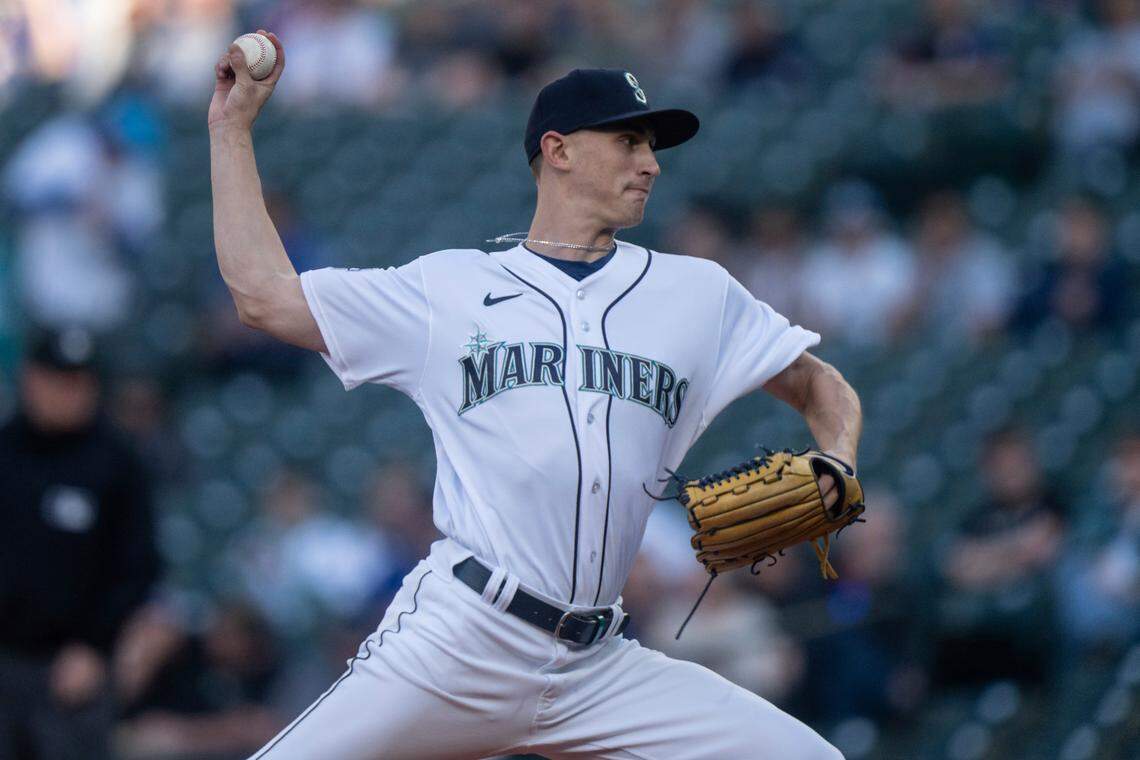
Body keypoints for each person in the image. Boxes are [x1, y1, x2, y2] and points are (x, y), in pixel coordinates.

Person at [210, 31, 861, 759]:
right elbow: (264, 297)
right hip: (461, 642)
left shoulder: (699, 294)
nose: (650, 164)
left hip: (599, 663)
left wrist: (838, 458)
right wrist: (231, 129)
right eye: (629, 142)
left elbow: (817, 383)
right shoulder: (448, 289)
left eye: (652, 148)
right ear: (558, 150)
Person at [0, 326, 160, 759]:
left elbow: (138, 565)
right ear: (30, 378)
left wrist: (95, 644)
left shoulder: (117, 462)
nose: (69, 393)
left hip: (73, 666)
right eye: (58, 380)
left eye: (80, 382)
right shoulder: (5, 451)